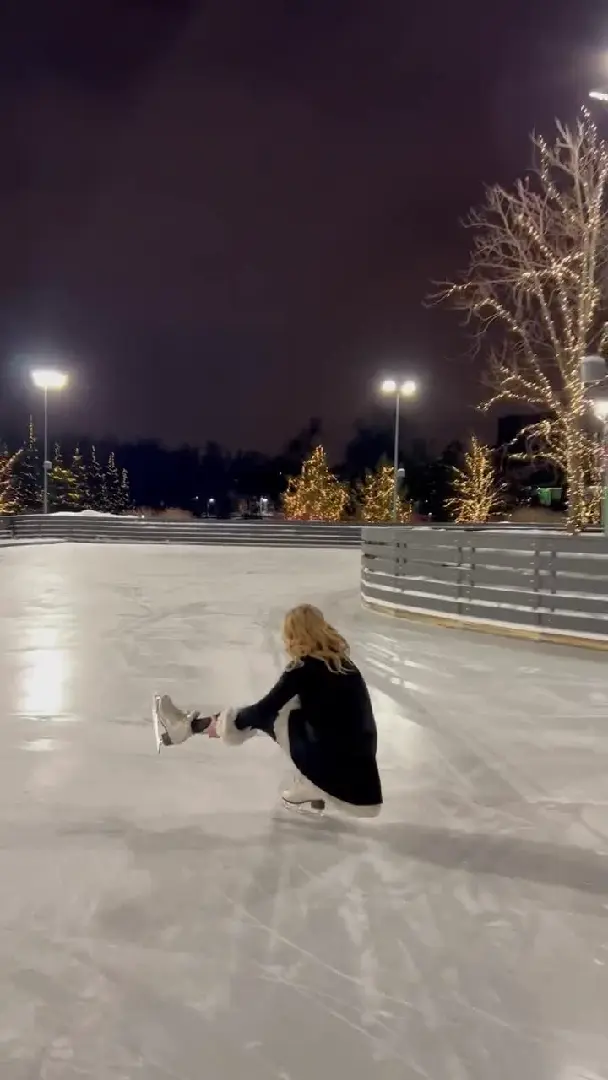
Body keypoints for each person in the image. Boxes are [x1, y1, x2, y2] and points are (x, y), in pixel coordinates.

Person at [154, 603, 382, 817]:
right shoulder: (345, 666)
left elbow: (264, 711)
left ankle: (185, 728)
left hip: (334, 776)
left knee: (275, 714)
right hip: (364, 787)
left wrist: (225, 725)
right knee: (304, 715)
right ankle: (311, 788)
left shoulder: (302, 668)